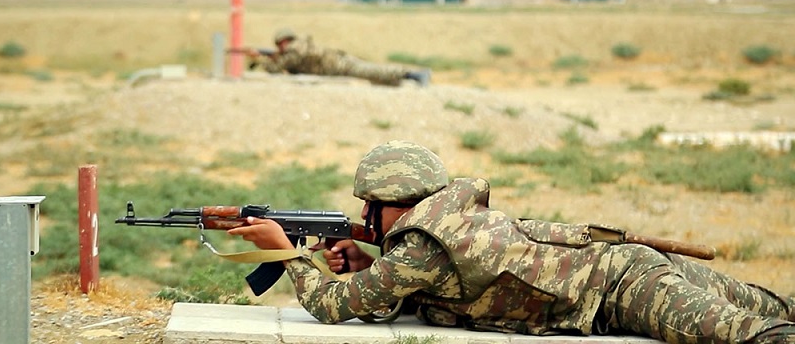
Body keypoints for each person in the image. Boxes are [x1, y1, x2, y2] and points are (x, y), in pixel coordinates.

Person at [228, 140, 795, 343]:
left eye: (368, 204)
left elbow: (331, 308)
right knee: (772, 307)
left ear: (390, 202)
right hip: (624, 266)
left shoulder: (423, 245)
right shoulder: (439, 228)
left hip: (627, 288)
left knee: (758, 334)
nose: (362, 215)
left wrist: (284, 250)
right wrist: (366, 263)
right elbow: (419, 288)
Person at [239, 28, 431, 87]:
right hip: (338, 60)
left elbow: (275, 70)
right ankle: (406, 79)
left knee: (372, 71)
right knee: (373, 72)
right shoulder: (299, 46)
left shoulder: (293, 50)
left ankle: (413, 75)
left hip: (337, 66)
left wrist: (260, 59)